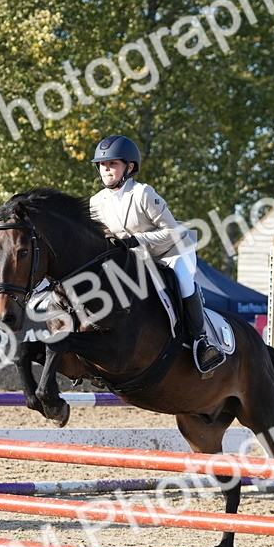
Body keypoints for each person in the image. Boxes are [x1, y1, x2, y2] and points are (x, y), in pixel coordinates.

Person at [88, 134, 226, 377]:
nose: (106, 169)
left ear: (129, 167)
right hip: (138, 258)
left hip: (173, 251)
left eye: (113, 164)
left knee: (183, 281)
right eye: (102, 165)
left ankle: (202, 341)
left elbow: (172, 231)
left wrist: (136, 240)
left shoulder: (143, 193)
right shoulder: (96, 202)